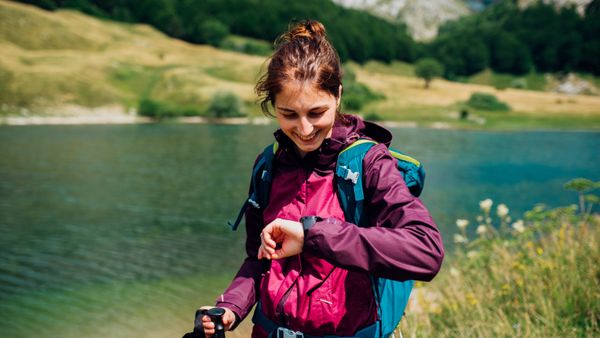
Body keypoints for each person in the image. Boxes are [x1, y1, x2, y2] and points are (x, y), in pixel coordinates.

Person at [197, 19, 444, 338]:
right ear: (273, 105)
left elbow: (426, 252)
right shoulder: (267, 165)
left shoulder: (369, 163)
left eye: (316, 113)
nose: (303, 129)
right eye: (288, 114)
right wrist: (231, 307)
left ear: (337, 95)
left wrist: (312, 236)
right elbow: (259, 260)